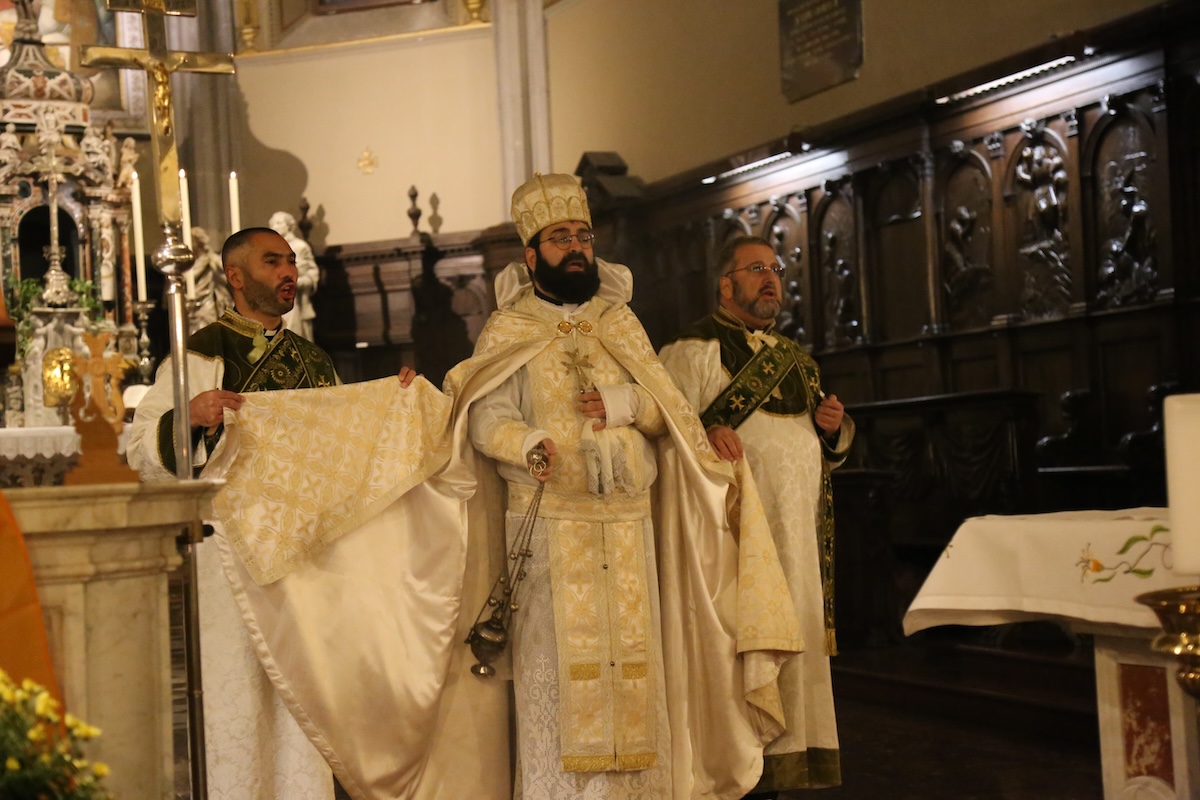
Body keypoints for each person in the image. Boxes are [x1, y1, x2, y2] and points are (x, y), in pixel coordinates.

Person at [444, 174, 801, 800]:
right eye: (561, 238)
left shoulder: (621, 322)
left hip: (630, 525)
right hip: (551, 529)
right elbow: (482, 415)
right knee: (559, 683)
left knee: (635, 679)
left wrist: (628, 400)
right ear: (531, 256)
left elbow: (668, 411)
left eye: (583, 235)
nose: (577, 247)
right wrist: (525, 443)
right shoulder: (509, 329)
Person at [127, 226, 419, 800]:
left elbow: (349, 453)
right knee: (241, 700)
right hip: (230, 564)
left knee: (306, 707)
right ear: (235, 277)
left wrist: (396, 407)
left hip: (310, 566)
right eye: (272, 262)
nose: (288, 272)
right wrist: (185, 416)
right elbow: (139, 453)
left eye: (290, 261)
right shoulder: (199, 352)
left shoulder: (313, 359)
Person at [659, 235, 855, 796]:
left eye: (775, 269)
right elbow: (663, 427)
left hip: (798, 547)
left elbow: (825, 453)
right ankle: (735, 771)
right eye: (755, 269)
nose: (770, 278)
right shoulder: (694, 349)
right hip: (731, 546)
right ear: (727, 284)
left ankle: (790, 766)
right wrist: (704, 432)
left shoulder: (798, 360)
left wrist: (831, 427)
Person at [269, 211, 319, 340]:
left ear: (288, 225)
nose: (275, 226)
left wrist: (297, 283)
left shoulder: (300, 247)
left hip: (296, 302)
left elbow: (312, 274)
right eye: (273, 223)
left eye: (279, 223)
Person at [188, 226, 232, 331]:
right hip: (191, 304)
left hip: (207, 302)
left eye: (191, 240)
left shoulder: (209, 258)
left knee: (205, 329)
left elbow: (224, 270)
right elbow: (188, 278)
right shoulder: (192, 262)